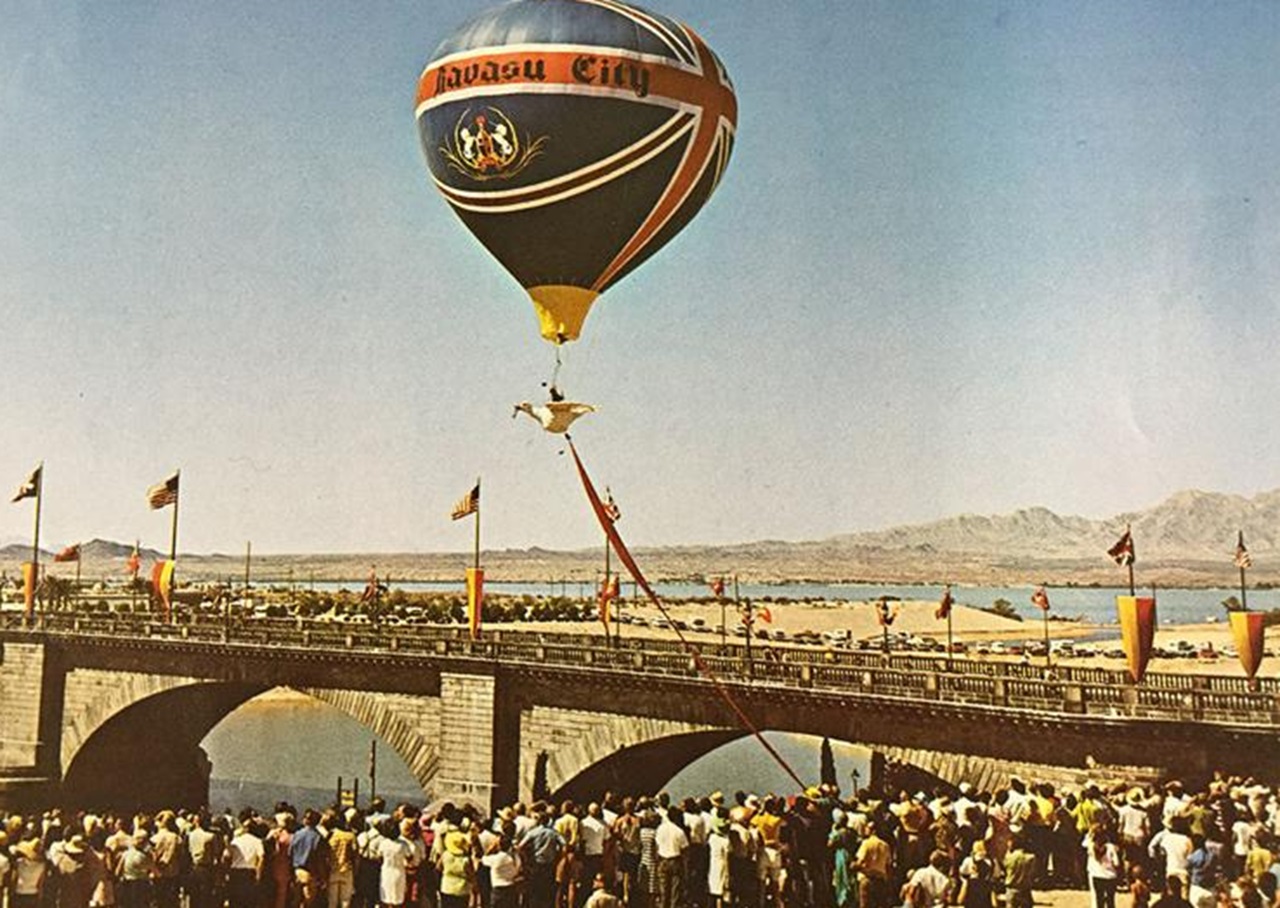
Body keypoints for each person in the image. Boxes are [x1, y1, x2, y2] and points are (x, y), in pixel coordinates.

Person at [227, 814, 265, 908]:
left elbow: (226, 855)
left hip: (235, 873)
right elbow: (261, 858)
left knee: (235, 902)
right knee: (249, 902)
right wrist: (258, 874)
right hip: (249, 873)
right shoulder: (257, 841)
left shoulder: (236, 840)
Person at [1083, 823, 1121, 908]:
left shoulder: (1091, 846)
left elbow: (1084, 843)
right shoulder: (1110, 847)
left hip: (1097, 875)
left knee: (1099, 899)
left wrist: (1090, 833)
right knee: (1110, 900)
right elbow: (1116, 863)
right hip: (1110, 876)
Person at [956, 841, 996, 908]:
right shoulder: (992, 861)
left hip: (971, 895)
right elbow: (996, 875)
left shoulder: (968, 860)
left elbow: (959, 901)